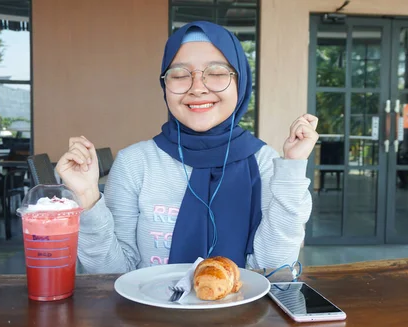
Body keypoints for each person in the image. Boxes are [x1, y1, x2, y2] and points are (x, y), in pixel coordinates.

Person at [55, 21, 319, 274]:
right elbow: (112, 274)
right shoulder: (134, 163)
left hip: (241, 317)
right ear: (165, 86)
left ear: (240, 83)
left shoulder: (264, 162)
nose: (197, 88)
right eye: (180, 75)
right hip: (151, 317)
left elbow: (272, 268)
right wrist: (88, 198)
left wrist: (293, 168)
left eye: (216, 73)